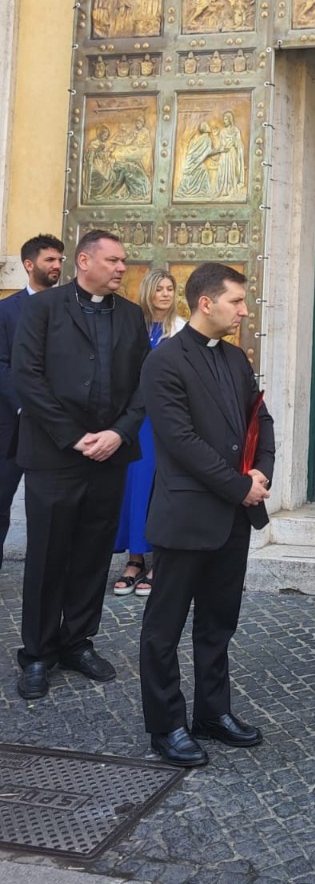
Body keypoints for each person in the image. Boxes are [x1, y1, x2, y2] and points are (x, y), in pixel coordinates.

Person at [139, 263, 275, 767]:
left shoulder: (237, 359)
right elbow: (181, 442)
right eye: (236, 302)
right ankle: (166, 725)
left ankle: (212, 714)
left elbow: (260, 419)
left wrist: (262, 473)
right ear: (205, 303)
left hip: (233, 518)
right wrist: (241, 486)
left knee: (218, 624)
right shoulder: (164, 362)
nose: (243, 311)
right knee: (163, 628)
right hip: (186, 515)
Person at [12, 230, 150, 700]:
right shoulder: (42, 309)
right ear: (84, 260)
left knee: (93, 554)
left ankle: (78, 641)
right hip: (54, 455)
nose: (121, 269)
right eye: (113, 260)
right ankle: (37, 653)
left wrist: (118, 433)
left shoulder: (132, 316)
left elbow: (143, 386)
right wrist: (74, 437)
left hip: (110, 456)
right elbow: (26, 377)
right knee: (48, 555)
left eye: (124, 262)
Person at [112, 270, 185, 598]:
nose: (166, 294)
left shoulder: (181, 329)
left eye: (170, 288)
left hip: (166, 419)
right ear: (148, 292)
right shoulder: (132, 326)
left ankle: (160, 560)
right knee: (136, 486)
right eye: (160, 288)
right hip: (136, 420)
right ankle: (135, 559)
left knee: (163, 487)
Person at [0, 235, 65, 572]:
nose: (56, 266)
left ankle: (52, 577)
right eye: (49, 260)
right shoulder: (6, 311)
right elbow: (2, 364)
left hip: (58, 429)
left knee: (55, 510)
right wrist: (26, 405)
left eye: (59, 260)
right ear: (29, 264)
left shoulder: (70, 308)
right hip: (12, 426)